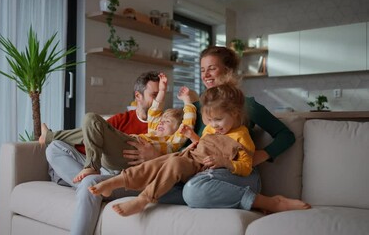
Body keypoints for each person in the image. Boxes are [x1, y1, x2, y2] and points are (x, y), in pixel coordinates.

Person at [124, 46, 311, 213]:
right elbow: (187, 150)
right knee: (153, 185)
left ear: (228, 70)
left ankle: (271, 202)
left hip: (236, 174)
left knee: (193, 190)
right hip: (199, 174)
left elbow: (286, 136)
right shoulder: (197, 108)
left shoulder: (246, 105)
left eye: (212, 68)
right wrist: (156, 155)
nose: (205, 75)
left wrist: (261, 155)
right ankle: (208, 197)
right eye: (203, 70)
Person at [89, 83, 257, 216]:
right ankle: (116, 182)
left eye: (218, 120)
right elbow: (205, 145)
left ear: (235, 113)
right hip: (189, 155)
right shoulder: (211, 129)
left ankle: (143, 199)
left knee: (174, 164)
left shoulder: (242, 137)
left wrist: (226, 162)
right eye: (210, 120)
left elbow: (246, 167)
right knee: (156, 164)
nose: (213, 125)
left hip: (198, 167)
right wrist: (193, 137)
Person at [72, 73, 197, 183]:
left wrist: (187, 100)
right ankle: (52, 137)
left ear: (178, 129)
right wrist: (162, 91)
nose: (161, 123)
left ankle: (92, 167)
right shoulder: (153, 129)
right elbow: (154, 110)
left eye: (167, 121)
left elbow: (188, 121)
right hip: (118, 147)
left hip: (127, 152)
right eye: (161, 120)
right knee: (87, 126)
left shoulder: (172, 142)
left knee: (91, 119)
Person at [42, 70, 160, 187]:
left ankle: (93, 185)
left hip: (123, 173)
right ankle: (91, 187)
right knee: (53, 148)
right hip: (102, 166)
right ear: (138, 96)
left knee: (92, 123)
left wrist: (155, 156)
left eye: (162, 94)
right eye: (155, 95)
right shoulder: (122, 119)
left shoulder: (166, 123)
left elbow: (174, 156)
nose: (159, 100)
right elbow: (93, 133)